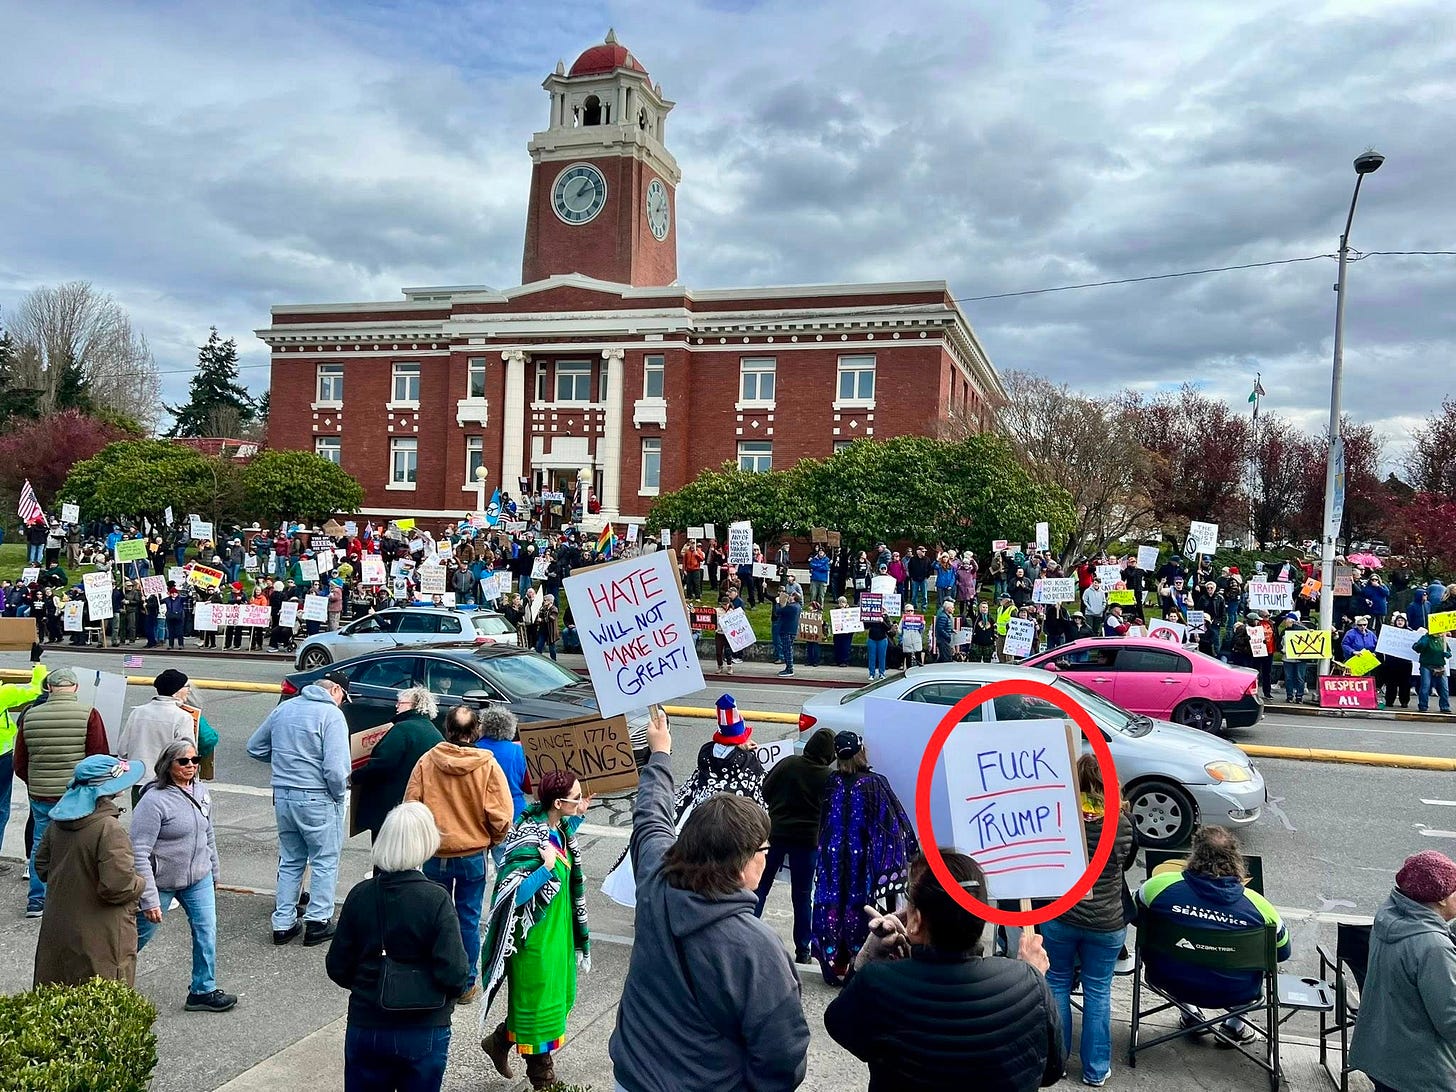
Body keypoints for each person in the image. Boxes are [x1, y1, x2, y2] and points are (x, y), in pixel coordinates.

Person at [610, 706, 810, 1091]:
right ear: (741, 863)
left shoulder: (654, 880)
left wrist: (660, 752)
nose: (768, 856)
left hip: (631, 1078)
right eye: (763, 849)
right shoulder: (758, 949)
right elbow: (783, 1056)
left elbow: (650, 816)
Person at [824, 851, 1066, 1091]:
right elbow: (1050, 1070)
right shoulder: (1028, 982)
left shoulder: (877, 981)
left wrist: (867, 959)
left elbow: (840, 1027)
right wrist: (1034, 977)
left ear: (916, 920)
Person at [326, 802, 470, 1092]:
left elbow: (337, 966)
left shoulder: (360, 895)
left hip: (368, 1021)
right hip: (424, 1025)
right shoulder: (436, 899)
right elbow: (455, 973)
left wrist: (367, 983)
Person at [479, 769, 593, 1089]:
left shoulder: (559, 828)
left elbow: (564, 841)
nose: (580, 800)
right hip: (534, 942)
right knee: (537, 1010)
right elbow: (512, 896)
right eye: (575, 798)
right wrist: (545, 869)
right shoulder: (530, 837)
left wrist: (580, 813)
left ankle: (500, 1041)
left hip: (557, 936)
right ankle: (544, 1080)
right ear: (557, 803)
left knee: (549, 1003)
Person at [1136, 825, 1291, 1043]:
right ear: (1236, 859)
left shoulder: (1155, 888)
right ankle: (1234, 1026)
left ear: (1194, 854)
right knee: (1254, 965)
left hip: (1169, 978)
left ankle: (1190, 1014)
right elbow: (1282, 952)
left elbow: (1135, 918)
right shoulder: (1262, 909)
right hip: (1236, 990)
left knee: (1179, 954)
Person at [404, 704, 513, 1003]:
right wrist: (490, 840)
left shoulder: (427, 761)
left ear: (447, 729)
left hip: (435, 852)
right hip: (472, 854)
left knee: (433, 916)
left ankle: (435, 976)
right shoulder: (487, 766)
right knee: (468, 918)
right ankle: (465, 984)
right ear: (476, 731)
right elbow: (502, 816)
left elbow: (411, 805)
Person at [1041, 755, 1136, 1087]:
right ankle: (1096, 1070)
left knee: (1057, 983)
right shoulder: (1123, 823)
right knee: (1098, 991)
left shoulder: (1059, 819)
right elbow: (1126, 863)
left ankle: (1057, 1064)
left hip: (1061, 915)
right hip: (1107, 921)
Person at [246, 669, 351, 945]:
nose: (342, 703)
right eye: (343, 697)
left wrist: (285, 762)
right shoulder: (332, 715)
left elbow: (255, 747)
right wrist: (339, 795)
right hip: (318, 797)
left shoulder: (285, 709)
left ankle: (283, 922)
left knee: (291, 859)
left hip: (283, 794)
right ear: (335, 691)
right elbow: (336, 769)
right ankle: (318, 921)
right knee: (324, 861)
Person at [132, 739, 236, 1012]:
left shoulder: (201, 791)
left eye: (195, 760)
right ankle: (107, 977)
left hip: (198, 878)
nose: (191, 766)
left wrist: (214, 870)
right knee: (139, 936)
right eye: (183, 761)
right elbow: (138, 852)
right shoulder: (153, 801)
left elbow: (208, 834)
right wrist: (149, 898)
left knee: (206, 931)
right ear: (168, 765)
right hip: (162, 882)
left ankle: (203, 990)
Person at [811, 730, 919, 985]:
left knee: (834, 909)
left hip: (832, 864)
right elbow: (894, 823)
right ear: (862, 752)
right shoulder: (874, 783)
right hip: (863, 866)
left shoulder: (832, 781)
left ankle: (834, 964)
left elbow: (824, 822)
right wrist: (911, 851)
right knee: (862, 910)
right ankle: (856, 966)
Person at [32, 755, 148, 987]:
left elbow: (42, 866)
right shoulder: (109, 828)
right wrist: (141, 882)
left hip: (59, 925)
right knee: (102, 994)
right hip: (102, 932)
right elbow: (118, 887)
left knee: (60, 993)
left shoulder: (57, 823)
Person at [1350, 850, 1456, 1092]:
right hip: (1421, 1071)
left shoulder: (1389, 917)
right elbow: (1451, 1021)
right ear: (1441, 900)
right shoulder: (1434, 948)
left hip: (1382, 1055)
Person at [13, 665, 110, 918]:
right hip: (76, 794)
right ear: (76, 688)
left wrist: (35, 783)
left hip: (41, 792)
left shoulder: (30, 715)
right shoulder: (89, 714)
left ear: (49, 688)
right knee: (79, 843)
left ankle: (37, 900)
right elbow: (98, 757)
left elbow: (20, 762)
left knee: (40, 843)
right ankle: (74, 899)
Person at [755, 727, 835, 964]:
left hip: (776, 834)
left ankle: (746, 931)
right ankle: (803, 951)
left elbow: (765, 789)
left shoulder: (788, 763)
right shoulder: (829, 778)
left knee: (760, 886)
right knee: (802, 896)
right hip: (807, 842)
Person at [352, 686, 444, 841]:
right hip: (417, 805)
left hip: (390, 806)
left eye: (400, 703)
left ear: (414, 705)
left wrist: (355, 776)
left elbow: (382, 764)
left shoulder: (402, 729)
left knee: (386, 852)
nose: (396, 706)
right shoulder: (434, 731)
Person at [118, 668, 197, 799]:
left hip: (139, 781)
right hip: (169, 783)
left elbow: (122, 750)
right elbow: (186, 754)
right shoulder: (182, 717)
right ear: (175, 692)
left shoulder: (137, 712)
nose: (189, 690)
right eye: (186, 686)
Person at [0, 655, 46, 868]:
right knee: (1, 808)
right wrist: (38, 663)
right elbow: (37, 689)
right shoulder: (4, 693)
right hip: (1, 757)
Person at [474, 705, 532, 824]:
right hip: (514, 813)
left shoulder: (473, 750)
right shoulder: (519, 751)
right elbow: (529, 787)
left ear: (484, 728)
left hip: (481, 813)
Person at [1377, 611, 1416, 708]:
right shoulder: (1390, 631)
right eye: (1398, 620)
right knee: (1391, 683)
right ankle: (1389, 700)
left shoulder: (1410, 632)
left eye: (1402, 620)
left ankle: (1404, 701)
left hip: (1405, 663)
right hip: (1392, 662)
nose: (1400, 622)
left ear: (1405, 622)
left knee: (1405, 684)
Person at [1413, 626, 1452, 714]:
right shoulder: (1426, 638)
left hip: (1440, 666)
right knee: (1425, 686)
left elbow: (1449, 652)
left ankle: (1445, 706)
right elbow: (1417, 648)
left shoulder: (1442, 639)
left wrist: (1448, 654)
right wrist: (1424, 640)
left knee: (1444, 688)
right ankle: (1423, 706)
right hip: (1426, 666)